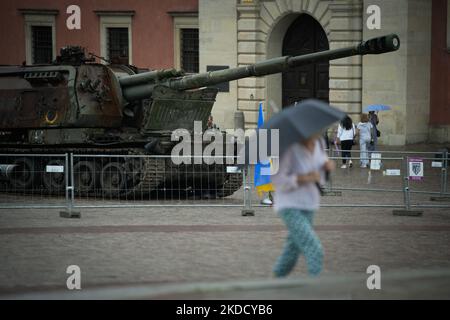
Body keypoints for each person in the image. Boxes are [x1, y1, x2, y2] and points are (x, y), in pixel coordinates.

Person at [271, 134, 335, 278]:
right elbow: (277, 179)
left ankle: (277, 277)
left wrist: (327, 167)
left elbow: (321, 175)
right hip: (289, 204)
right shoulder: (288, 148)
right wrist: (303, 178)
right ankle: (314, 288)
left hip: (310, 203)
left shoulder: (318, 144)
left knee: (293, 247)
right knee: (313, 247)